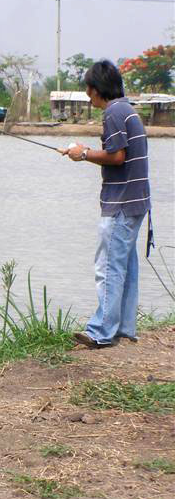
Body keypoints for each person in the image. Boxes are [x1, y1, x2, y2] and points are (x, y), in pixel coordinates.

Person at [58, 60, 151, 348]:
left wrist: (83, 153)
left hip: (121, 203)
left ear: (98, 89)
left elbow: (117, 156)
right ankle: (123, 326)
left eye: (89, 89)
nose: (88, 95)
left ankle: (101, 331)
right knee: (124, 266)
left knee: (108, 266)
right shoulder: (127, 110)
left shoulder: (113, 112)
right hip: (136, 202)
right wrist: (81, 152)